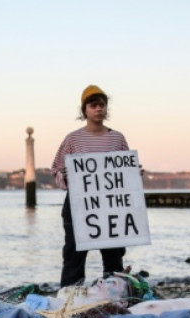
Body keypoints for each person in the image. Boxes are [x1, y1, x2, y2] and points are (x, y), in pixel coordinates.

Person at [51, 85, 131, 287]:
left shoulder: (117, 138)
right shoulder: (73, 139)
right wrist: (66, 177)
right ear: (84, 109)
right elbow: (56, 168)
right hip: (78, 203)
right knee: (74, 254)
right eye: (93, 105)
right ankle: (69, 298)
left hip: (109, 204)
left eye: (102, 105)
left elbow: (124, 171)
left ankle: (114, 297)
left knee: (113, 254)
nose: (99, 109)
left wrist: (133, 174)